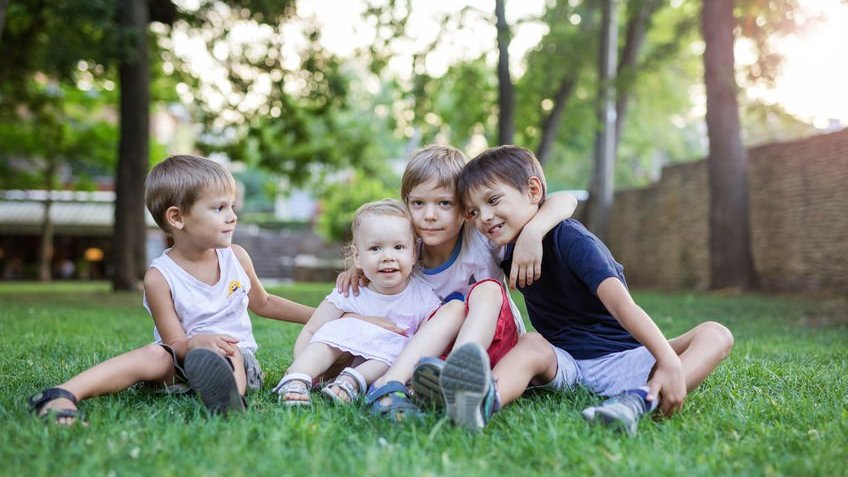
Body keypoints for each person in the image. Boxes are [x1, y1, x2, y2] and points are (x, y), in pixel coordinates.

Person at [442, 145, 734, 435]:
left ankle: (636, 401)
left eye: (493, 200)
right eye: (474, 212)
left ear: (533, 190)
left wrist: (668, 360)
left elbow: (622, 306)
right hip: (566, 362)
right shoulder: (503, 250)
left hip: (623, 359)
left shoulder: (572, 239)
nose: (484, 217)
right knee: (531, 344)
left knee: (716, 334)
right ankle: (482, 402)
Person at [27, 154, 314, 424]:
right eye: (219, 208)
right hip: (181, 362)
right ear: (177, 218)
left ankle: (228, 402)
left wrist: (320, 315)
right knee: (154, 354)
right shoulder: (159, 277)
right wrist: (195, 343)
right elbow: (175, 343)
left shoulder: (236, 258)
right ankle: (61, 394)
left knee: (229, 351)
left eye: (232, 207)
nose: (232, 216)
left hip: (237, 361)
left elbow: (263, 303)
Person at [337, 145, 577, 419]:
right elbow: (375, 273)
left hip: (495, 345)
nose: (429, 215)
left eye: (444, 203)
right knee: (449, 311)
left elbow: (565, 200)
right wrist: (360, 271)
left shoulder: (482, 238)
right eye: (418, 203)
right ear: (406, 206)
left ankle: (457, 374)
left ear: (466, 210)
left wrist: (533, 233)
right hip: (430, 358)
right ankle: (391, 386)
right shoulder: (402, 254)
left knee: (486, 289)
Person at [271, 199, 443, 406]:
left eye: (398, 247)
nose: (388, 256)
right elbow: (312, 331)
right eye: (375, 248)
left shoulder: (424, 298)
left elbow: (425, 345)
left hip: (377, 368)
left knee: (402, 344)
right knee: (332, 332)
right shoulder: (350, 293)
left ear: (414, 253)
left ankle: (351, 382)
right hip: (336, 361)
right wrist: (303, 364)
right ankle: (297, 378)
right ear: (358, 257)